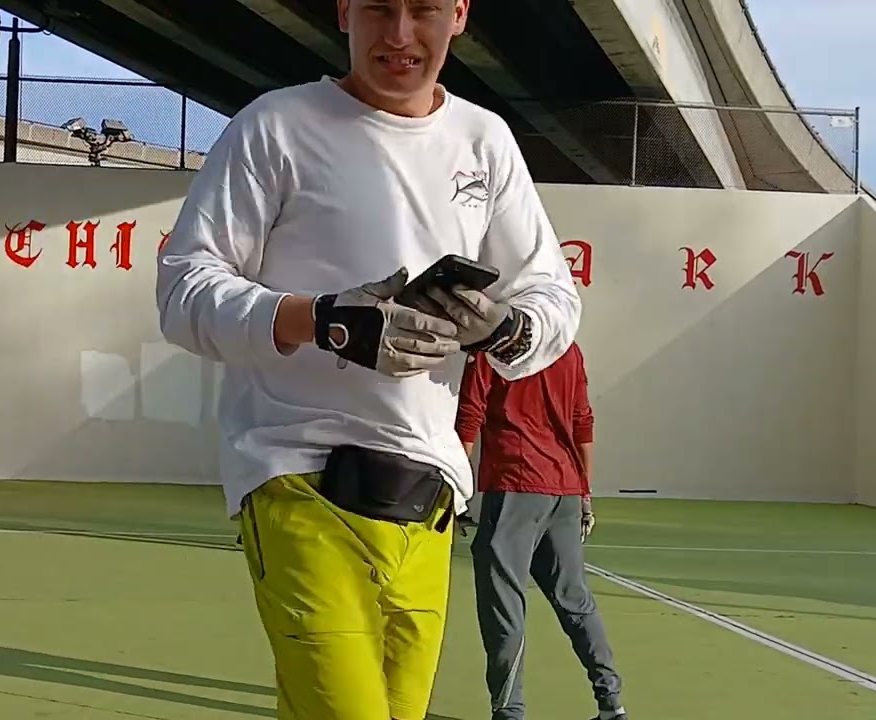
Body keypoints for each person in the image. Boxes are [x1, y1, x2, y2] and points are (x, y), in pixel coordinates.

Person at [155, 1, 581, 716]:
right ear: (344, 8)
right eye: (380, 7)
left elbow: (551, 294)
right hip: (295, 476)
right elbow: (184, 290)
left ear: (461, 14)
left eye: (425, 10)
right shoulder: (276, 126)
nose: (401, 34)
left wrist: (503, 329)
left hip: (428, 494)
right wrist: (321, 320)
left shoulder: (484, 140)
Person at [456, 341, 626, 720]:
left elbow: (469, 414)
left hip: (515, 487)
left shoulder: (492, 344)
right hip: (563, 489)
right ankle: (612, 706)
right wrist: (584, 493)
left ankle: (509, 713)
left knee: (504, 607)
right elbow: (583, 419)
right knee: (576, 601)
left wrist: (451, 488)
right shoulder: (568, 347)